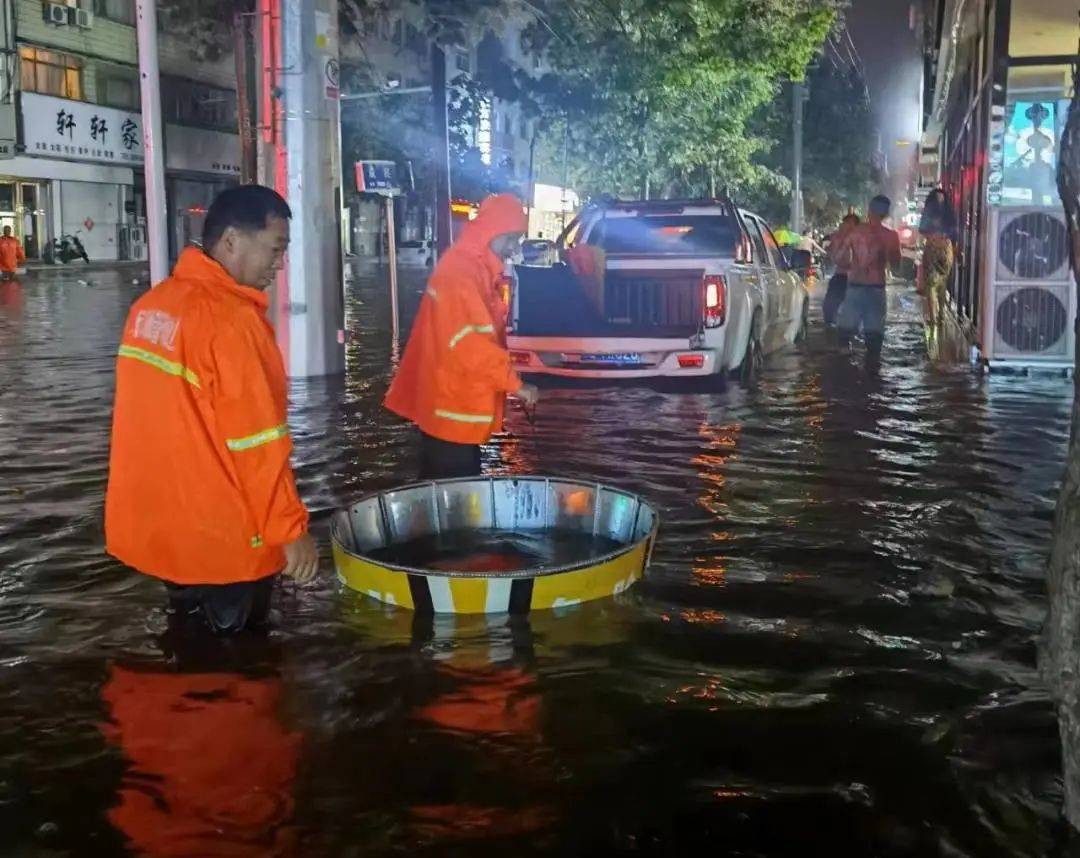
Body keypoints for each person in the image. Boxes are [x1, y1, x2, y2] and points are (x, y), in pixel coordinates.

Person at [105, 185, 318, 634]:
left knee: (187, 651)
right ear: (232, 241)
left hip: (169, 534)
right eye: (275, 249)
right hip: (225, 542)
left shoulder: (151, 307)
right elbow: (257, 441)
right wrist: (290, 530)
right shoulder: (233, 322)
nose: (280, 265)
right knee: (237, 673)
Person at [385, 192, 539, 480]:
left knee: (448, 496)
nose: (513, 247)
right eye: (511, 238)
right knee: (454, 497)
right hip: (450, 412)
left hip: (452, 411)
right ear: (493, 231)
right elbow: (472, 346)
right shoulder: (461, 273)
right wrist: (516, 385)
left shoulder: (473, 268)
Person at [830, 195, 902, 361]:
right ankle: (872, 379)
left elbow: (839, 258)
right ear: (886, 214)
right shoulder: (891, 236)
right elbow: (897, 266)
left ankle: (844, 376)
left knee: (844, 336)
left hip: (855, 287)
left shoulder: (855, 232)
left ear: (869, 210)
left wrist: (852, 265)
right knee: (874, 340)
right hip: (877, 289)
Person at [917, 188, 956, 332]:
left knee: (936, 284)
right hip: (943, 248)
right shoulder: (947, 213)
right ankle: (938, 316)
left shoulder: (931, 213)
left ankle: (936, 317)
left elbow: (922, 229)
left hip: (936, 247)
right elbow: (954, 231)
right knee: (938, 284)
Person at [823, 213, 860, 328]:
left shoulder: (861, 239)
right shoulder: (838, 237)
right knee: (829, 306)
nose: (845, 227)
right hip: (841, 276)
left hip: (855, 279)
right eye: (845, 224)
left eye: (849, 224)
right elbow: (832, 253)